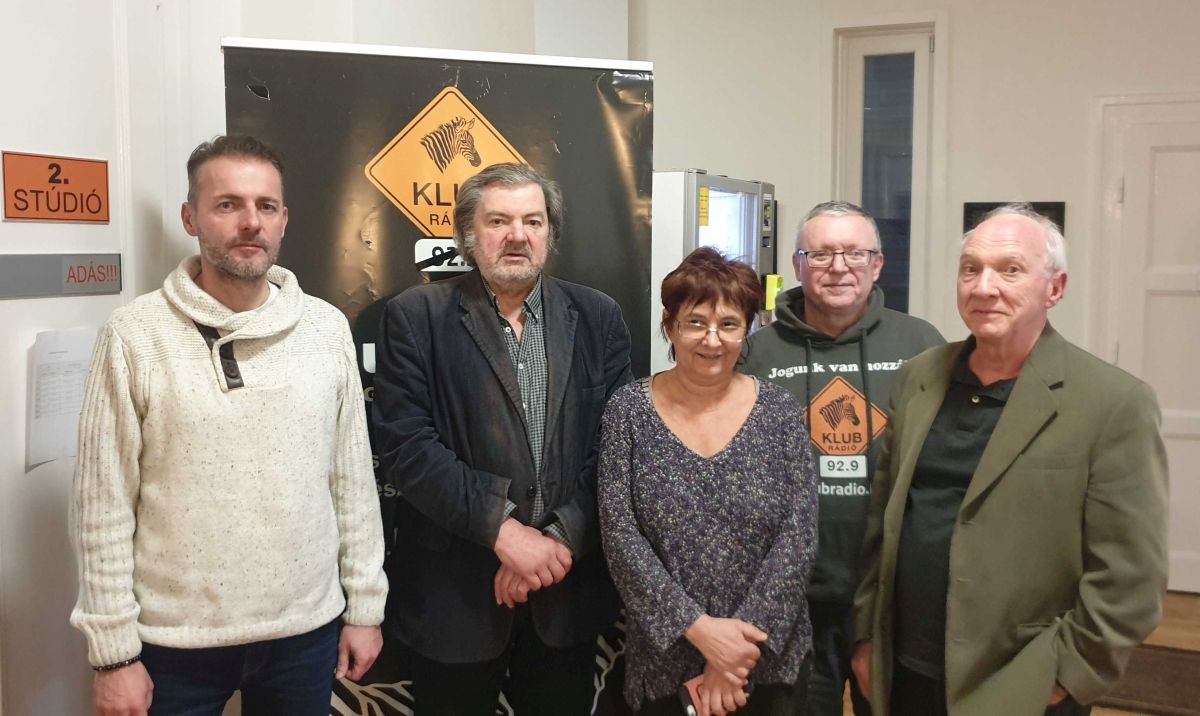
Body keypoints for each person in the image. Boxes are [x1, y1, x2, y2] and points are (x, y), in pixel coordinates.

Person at [70, 135, 388, 716]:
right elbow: (102, 506)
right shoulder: (134, 335)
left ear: (284, 220)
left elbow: (351, 483)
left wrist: (365, 608)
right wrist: (113, 655)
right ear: (190, 217)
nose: (250, 222)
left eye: (266, 206)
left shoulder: (325, 328)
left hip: (305, 635)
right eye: (227, 205)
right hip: (172, 646)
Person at [851, 204, 1169, 716]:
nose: (984, 287)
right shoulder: (919, 377)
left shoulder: (1113, 403)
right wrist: (866, 638)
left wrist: (1065, 676)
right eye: (970, 269)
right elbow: (881, 522)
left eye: (1010, 269)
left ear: (1055, 288)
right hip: (904, 669)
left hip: (1021, 682)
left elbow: (1131, 577)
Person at [373, 162, 632, 713]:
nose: (518, 235)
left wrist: (559, 541)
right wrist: (504, 532)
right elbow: (407, 448)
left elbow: (616, 450)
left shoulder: (598, 317)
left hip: (565, 595)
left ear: (549, 233)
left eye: (533, 221)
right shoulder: (416, 317)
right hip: (455, 599)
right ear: (468, 234)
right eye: (498, 221)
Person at [741, 200, 942, 716]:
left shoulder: (921, 344)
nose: (839, 267)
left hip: (892, 592)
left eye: (854, 253)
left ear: (878, 264)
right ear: (798, 264)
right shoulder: (758, 353)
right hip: (793, 596)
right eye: (821, 254)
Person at [599, 247, 819, 716]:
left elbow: (798, 536)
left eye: (729, 324)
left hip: (765, 659)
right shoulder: (628, 412)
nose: (712, 340)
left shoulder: (780, 412)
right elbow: (620, 537)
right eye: (696, 323)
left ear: (748, 328)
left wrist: (734, 653)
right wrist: (701, 632)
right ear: (670, 325)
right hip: (666, 662)